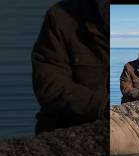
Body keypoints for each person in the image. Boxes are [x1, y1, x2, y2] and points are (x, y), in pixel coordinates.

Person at [31, 0, 109, 135]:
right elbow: (50, 87)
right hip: (69, 131)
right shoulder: (60, 16)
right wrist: (104, 108)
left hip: (128, 128)